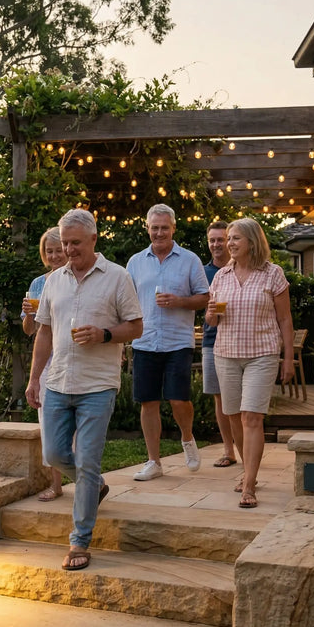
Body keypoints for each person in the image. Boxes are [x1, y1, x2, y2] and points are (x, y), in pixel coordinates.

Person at [26, 209, 143, 571]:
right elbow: (43, 331)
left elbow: (136, 327)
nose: (69, 249)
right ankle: (95, 486)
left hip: (98, 384)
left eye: (75, 243)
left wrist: (105, 334)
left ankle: (79, 541)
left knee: (88, 461)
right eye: (65, 243)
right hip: (59, 381)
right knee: (55, 454)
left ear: (94, 239)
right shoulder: (53, 282)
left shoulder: (118, 277)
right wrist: (34, 379)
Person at [204, 218, 294, 509]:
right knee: (233, 417)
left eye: (235, 238)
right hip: (226, 354)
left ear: (252, 242)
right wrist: (210, 315)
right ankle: (246, 470)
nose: (229, 243)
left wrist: (288, 358)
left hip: (262, 354)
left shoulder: (273, 274)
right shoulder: (221, 276)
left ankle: (250, 482)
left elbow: (284, 319)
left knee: (251, 418)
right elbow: (212, 319)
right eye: (228, 238)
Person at [126, 204, 210, 480]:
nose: (159, 232)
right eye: (154, 227)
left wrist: (180, 302)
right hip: (145, 340)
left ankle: (187, 436)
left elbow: (205, 297)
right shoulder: (135, 262)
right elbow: (126, 302)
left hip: (178, 342)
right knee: (148, 402)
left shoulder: (189, 260)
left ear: (173, 228)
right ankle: (154, 462)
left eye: (164, 227)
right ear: (147, 228)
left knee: (178, 399)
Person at [21, 227, 67, 501]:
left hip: (70, 358)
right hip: (46, 362)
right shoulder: (38, 284)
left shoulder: (75, 279)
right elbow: (30, 330)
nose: (54, 256)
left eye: (58, 250)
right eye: (49, 251)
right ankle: (57, 484)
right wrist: (28, 314)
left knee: (70, 424)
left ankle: (86, 480)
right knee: (48, 422)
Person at [202, 221, 238, 468]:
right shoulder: (202, 273)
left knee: (242, 401)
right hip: (211, 341)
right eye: (212, 240)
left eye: (221, 239)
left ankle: (248, 448)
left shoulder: (242, 269)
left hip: (239, 341)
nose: (216, 244)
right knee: (219, 398)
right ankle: (229, 450)